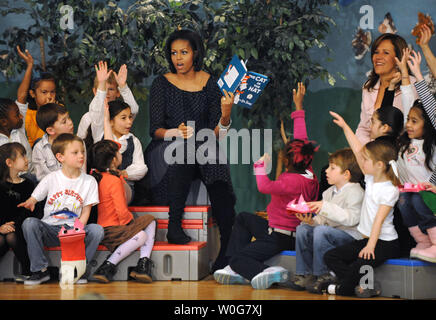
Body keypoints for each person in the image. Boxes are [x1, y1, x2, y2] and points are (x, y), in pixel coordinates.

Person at [144, 29, 236, 271]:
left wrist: (226, 114)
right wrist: (178, 132)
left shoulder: (211, 83)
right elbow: (155, 130)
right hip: (166, 151)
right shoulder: (161, 83)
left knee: (214, 165)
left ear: (195, 52)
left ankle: (228, 248)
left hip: (203, 147)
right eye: (174, 53)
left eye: (184, 52)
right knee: (187, 150)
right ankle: (174, 227)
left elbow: (219, 133)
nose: (178, 58)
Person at [213, 82, 319, 290]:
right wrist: (298, 107)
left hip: (279, 236)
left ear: (288, 161)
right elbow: (301, 138)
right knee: (243, 218)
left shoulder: (290, 181)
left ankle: (263, 271)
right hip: (281, 230)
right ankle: (234, 268)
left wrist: (261, 165)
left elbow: (264, 186)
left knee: (237, 259)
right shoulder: (310, 174)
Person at [323, 111, 401, 298]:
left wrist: (369, 247)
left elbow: (378, 222)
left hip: (384, 242)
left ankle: (341, 288)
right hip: (369, 239)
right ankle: (362, 285)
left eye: (366, 160)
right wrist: (345, 127)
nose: (361, 162)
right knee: (331, 256)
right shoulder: (372, 178)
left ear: (380, 165)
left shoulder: (390, 189)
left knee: (359, 263)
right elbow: (358, 149)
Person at [18, 133, 104, 285]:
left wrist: (77, 230)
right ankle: (40, 270)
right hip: (50, 229)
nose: (81, 156)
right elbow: (35, 197)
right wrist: (31, 201)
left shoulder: (89, 181)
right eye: (75, 153)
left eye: (82, 152)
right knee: (29, 223)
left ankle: (77, 270)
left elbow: (86, 211)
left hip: (73, 230)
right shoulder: (51, 177)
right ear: (60, 157)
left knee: (97, 230)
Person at [287, 148, 364, 294]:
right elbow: (323, 220)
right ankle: (304, 274)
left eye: (332, 168)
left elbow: (351, 218)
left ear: (346, 174)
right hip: (330, 233)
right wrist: (311, 222)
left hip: (350, 237)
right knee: (303, 229)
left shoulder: (356, 191)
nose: (327, 171)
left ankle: (323, 275)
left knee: (322, 231)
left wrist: (325, 207)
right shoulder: (328, 192)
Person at [88, 139, 156, 283]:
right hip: (113, 230)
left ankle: (139, 263)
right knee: (146, 227)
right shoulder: (113, 180)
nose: (121, 155)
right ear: (113, 160)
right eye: (119, 153)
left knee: (145, 225)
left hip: (105, 228)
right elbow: (121, 211)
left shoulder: (101, 177)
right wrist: (131, 224)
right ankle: (118, 264)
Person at [85, 61, 147, 204]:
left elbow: (141, 167)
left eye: (130, 118)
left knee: (115, 183)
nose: (129, 122)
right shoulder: (100, 130)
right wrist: (101, 85)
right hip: (99, 186)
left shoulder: (132, 140)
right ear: (110, 120)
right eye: (123, 118)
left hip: (124, 186)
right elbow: (95, 111)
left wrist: (124, 173)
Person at [356, 33, 418, 145]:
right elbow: (363, 128)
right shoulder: (368, 87)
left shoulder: (412, 84)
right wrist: (366, 151)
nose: (378, 57)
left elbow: (414, 128)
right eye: (376, 52)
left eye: (386, 52)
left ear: (398, 58)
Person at [0, 143, 42, 283]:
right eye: (22, 156)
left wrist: (14, 225)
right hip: (1, 227)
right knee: (1, 238)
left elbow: (28, 211)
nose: (26, 159)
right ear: (9, 163)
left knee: (11, 236)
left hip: (20, 227)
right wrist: (1, 226)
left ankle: (27, 269)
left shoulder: (28, 184)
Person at [77, 63, 140, 149]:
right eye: (103, 89)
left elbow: (133, 110)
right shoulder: (88, 117)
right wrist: (101, 86)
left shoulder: (123, 116)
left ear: (118, 92)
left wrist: (123, 87)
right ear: (95, 91)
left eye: (111, 89)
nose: (106, 93)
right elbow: (80, 145)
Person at [14, 46, 58, 147]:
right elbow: (21, 97)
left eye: (52, 92)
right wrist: (30, 65)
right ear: (33, 93)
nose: (49, 96)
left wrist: (53, 110)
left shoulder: (60, 110)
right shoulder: (28, 115)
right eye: (44, 92)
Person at [32, 103, 78, 182]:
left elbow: (81, 171)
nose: (70, 122)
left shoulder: (78, 143)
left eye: (69, 118)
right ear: (50, 130)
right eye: (64, 122)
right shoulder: (39, 149)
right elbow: (43, 179)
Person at [0, 98, 33, 174]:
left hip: (32, 175)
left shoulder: (19, 127)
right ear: (4, 122)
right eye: (17, 115)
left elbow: (22, 95)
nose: (21, 116)